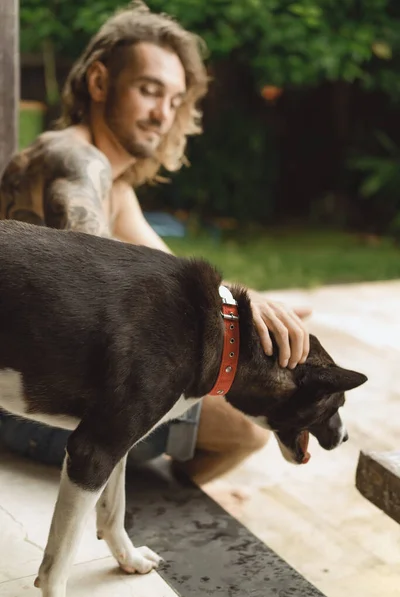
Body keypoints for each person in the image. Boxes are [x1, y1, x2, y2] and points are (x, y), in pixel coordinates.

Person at [0, 1, 311, 485]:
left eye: (174, 100)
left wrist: (246, 311)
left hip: (38, 390)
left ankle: (167, 485)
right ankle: (173, 489)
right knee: (248, 430)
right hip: (25, 407)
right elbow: (96, 288)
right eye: (149, 91)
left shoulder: (116, 189)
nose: (162, 114)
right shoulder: (75, 158)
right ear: (99, 83)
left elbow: (187, 289)